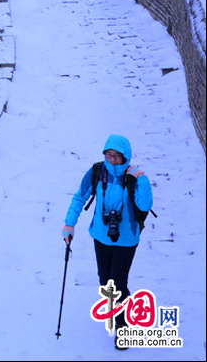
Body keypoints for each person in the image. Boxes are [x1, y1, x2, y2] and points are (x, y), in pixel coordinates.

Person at [62, 134, 153, 348]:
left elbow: (145, 205)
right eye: (108, 154)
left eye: (116, 156)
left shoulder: (133, 177)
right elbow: (79, 197)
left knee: (119, 283)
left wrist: (142, 179)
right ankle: (117, 307)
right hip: (101, 237)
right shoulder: (96, 172)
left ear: (125, 158)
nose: (111, 159)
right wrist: (69, 224)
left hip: (127, 239)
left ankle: (122, 327)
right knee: (105, 282)